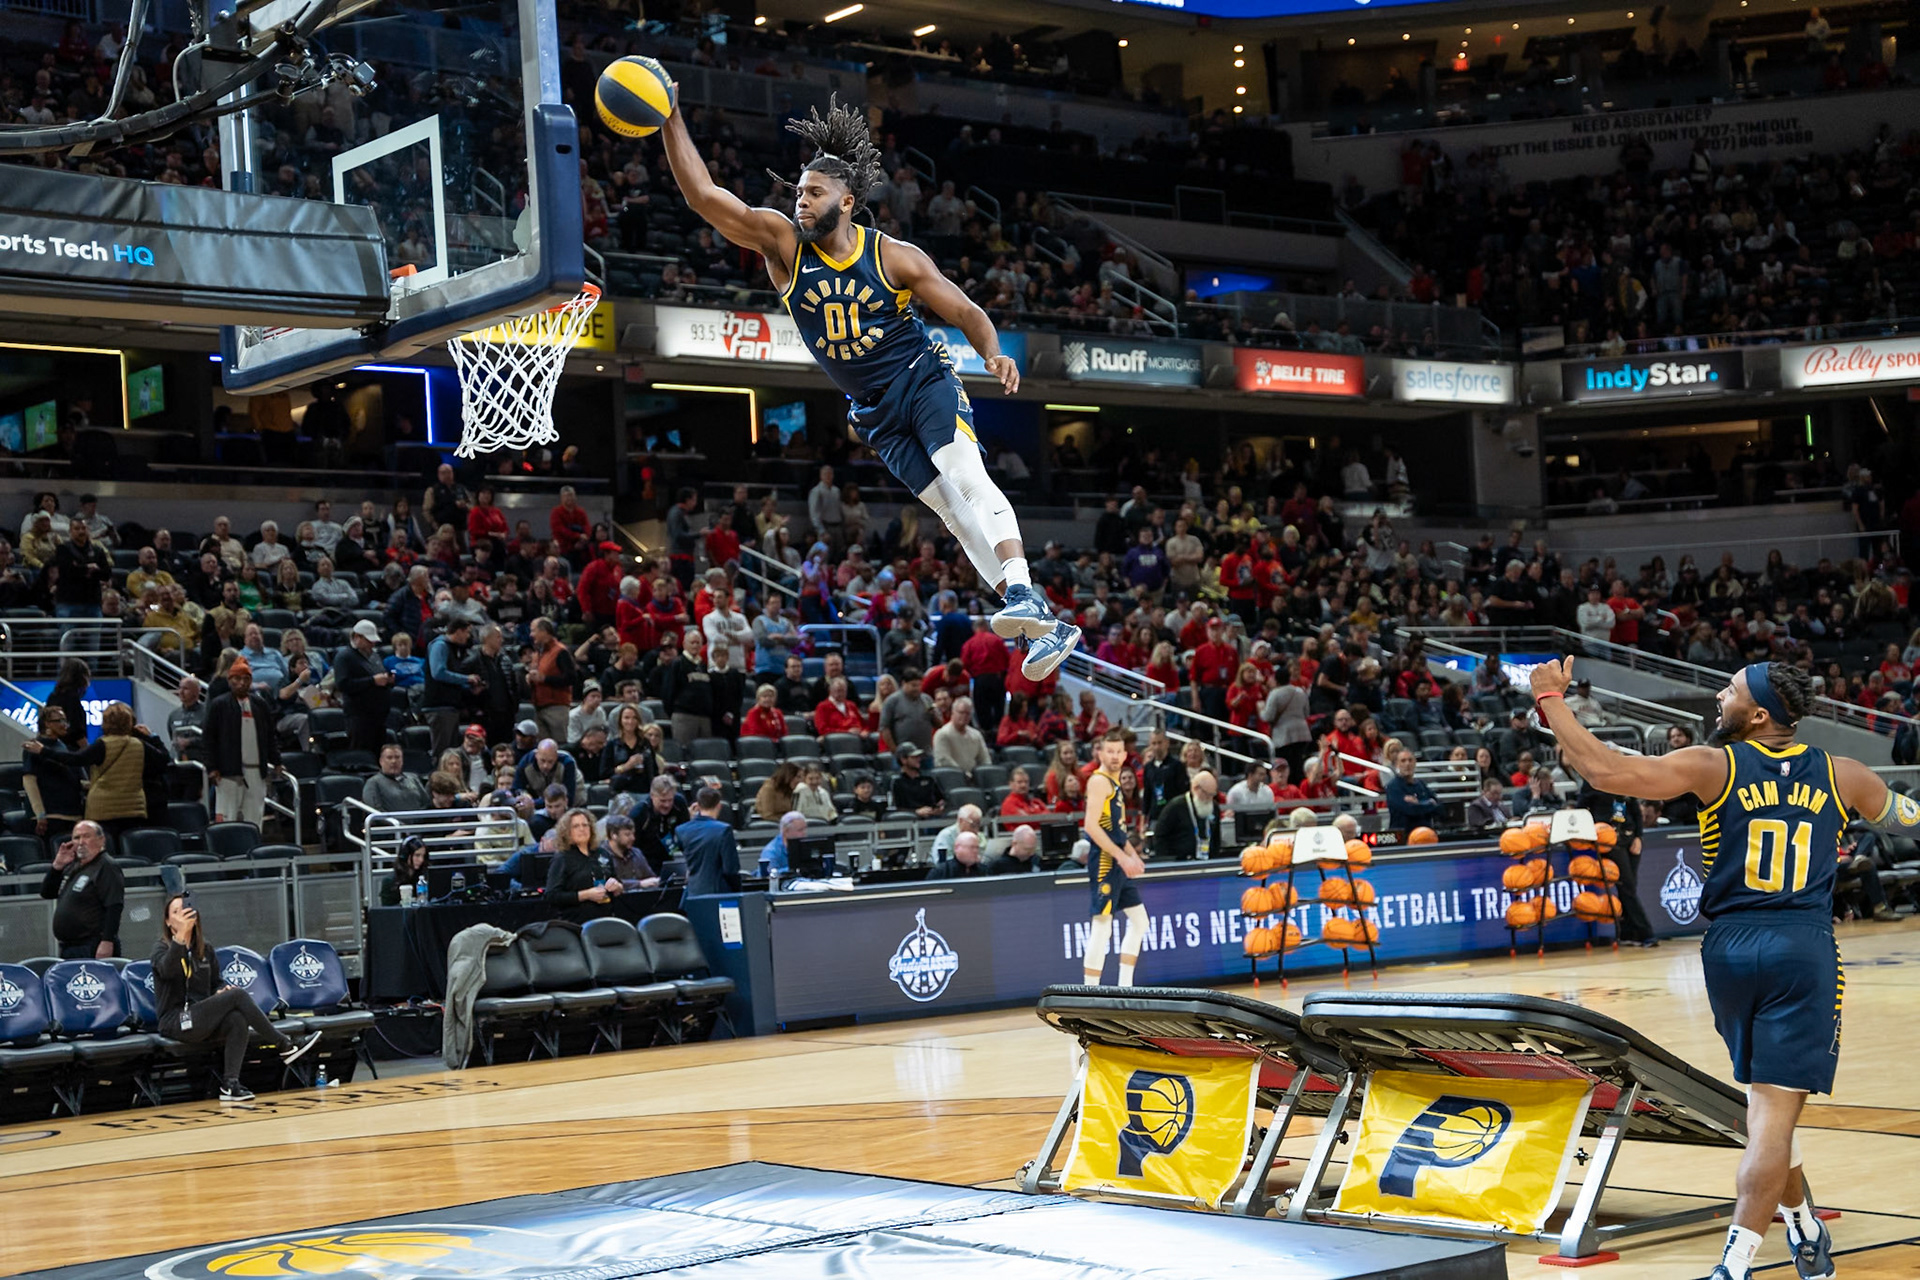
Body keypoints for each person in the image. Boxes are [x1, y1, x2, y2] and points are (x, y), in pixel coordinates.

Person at [659, 94, 1077, 680]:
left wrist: (993, 354)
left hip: (922, 380)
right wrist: (670, 116)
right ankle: (1045, 624)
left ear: (847, 202)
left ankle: (1025, 596)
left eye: (813, 193)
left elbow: (964, 309)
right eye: (798, 193)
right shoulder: (783, 245)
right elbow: (704, 197)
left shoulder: (894, 257)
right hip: (874, 412)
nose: (800, 202)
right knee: (954, 518)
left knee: (966, 477)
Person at [1531, 656, 1920, 1280]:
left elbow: (1605, 768)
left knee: (1764, 1104)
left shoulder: (1716, 766)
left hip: (1731, 949)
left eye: (1731, 689)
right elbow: (1907, 818)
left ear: (1758, 714)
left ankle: (1801, 1224)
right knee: (1769, 1114)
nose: (1719, 694)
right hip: (1802, 947)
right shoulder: (1845, 775)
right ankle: (1735, 1267)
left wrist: (1552, 700)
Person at [152, 892, 319, 1102]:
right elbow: (168, 971)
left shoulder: (205, 949)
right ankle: (284, 1045)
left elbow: (215, 983)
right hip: (176, 1020)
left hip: (201, 1017)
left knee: (236, 1019)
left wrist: (221, 990)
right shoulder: (161, 948)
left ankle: (230, 1084)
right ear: (168, 922)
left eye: (184, 910)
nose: (181, 916)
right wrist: (179, 940)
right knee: (238, 996)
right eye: (175, 912)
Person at [23, 702, 168, 840]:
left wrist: (44, 751)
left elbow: (75, 759)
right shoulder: (139, 744)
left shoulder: (102, 744)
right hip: (134, 810)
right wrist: (152, 737)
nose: (64, 724)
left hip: (104, 809)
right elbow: (163, 759)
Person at [1081, 729, 1148, 985]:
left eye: (1119, 751)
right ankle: (1090, 991)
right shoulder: (1098, 781)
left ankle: (1125, 986)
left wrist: (1133, 855)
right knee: (1102, 923)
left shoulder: (1116, 779)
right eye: (1109, 751)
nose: (1115, 756)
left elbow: (1117, 830)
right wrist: (1122, 857)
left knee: (1140, 921)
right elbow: (1091, 826)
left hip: (1118, 857)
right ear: (1100, 752)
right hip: (1106, 860)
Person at [202, 658, 282, 825]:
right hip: (228, 771)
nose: (241, 683)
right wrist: (212, 767)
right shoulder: (219, 705)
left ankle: (253, 848)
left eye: (246, 679)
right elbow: (209, 738)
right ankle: (228, 851)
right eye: (237, 679)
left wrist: (277, 761)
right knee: (226, 816)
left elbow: (270, 736)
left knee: (255, 818)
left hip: (255, 771)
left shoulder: (260, 704)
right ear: (230, 680)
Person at [1577, 781, 1658, 947]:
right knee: (1627, 886)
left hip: (1629, 837)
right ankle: (1646, 933)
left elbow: (1635, 810)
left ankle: (1628, 933)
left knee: (1629, 888)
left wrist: (1638, 837)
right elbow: (1581, 810)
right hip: (1609, 840)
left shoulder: (1624, 778)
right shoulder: (1593, 781)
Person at [38, 820, 122, 958]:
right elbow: (47, 893)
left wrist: (107, 941)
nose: (81, 841)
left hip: (92, 945)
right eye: (76, 838)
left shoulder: (106, 866)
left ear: (101, 840)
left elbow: (114, 906)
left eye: (86, 836)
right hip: (69, 946)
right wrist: (57, 866)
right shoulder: (73, 865)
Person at [21, 705, 85, 845]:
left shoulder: (64, 746)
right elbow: (29, 781)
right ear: (47, 724)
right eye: (59, 721)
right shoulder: (33, 747)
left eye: (65, 721)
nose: (64, 725)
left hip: (72, 814)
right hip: (50, 816)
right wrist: (40, 814)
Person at [546, 807, 623, 922]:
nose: (582, 829)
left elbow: (616, 881)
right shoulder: (562, 858)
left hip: (606, 919)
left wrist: (617, 886)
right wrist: (586, 895)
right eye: (576, 826)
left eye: (585, 825)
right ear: (567, 832)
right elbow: (552, 896)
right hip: (576, 922)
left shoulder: (603, 853)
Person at [678, 785, 743, 897]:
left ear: (697, 805)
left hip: (692, 893)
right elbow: (730, 869)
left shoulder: (681, 830)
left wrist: (692, 818)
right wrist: (738, 890)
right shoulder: (724, 830)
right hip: (718, 894)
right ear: (719, 806)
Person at [1152, 770, 1219, 862]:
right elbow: (1160, 837)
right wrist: (1167, 862)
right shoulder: (1175, 806)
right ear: (1195, 788)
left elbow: (1216, 837)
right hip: (1179, 863)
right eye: (1207, 794)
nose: (1210, 798)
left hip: (1207, 861)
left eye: (1213, 794)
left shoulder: (1214, 807)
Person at [1384, 749, 1444, 834]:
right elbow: (1410, 810)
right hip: (1403, 836)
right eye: (1403, 761)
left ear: (1415, 763)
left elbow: (1439, 808)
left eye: (1410, 760)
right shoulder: (1393, 786)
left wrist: (1419, 803)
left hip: (1426, 834)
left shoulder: (1421, 784)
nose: (1407, 764)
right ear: (1397, 765)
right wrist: (1429, 803)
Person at [932, 695, 990, 779]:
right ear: (953, 712)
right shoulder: (942, 734)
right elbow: (944, 760)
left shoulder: (976, 735)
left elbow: (984, 759)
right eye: (961, 712)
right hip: (950, 779)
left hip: (974, 778)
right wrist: (963, 774)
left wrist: (984, 773)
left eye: (968, 713)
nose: (964, 716)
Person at [889, 743, 945, 817]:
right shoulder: (897, 782)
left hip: (932, 818)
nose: (918, 759)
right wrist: (915, 812)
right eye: (914, 757)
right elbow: (895, 807)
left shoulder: (929, 778)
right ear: (903, 760)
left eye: (918, 757)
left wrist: (940, 807)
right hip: (907, 821)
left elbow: (941, 799)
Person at [379, 835, 431, 906]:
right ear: (405, 855)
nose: (421, 860)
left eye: (423, 856)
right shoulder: (389, 881)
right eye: (417, 855)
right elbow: (387, 912)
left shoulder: (425, 877)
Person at [759, 811, 808, 879]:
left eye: (805, 829)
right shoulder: (770, 851)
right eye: (800, 830)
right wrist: (794, 870)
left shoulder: (805, 846)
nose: (804, 833)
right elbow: (770, 875)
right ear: (786, 831)